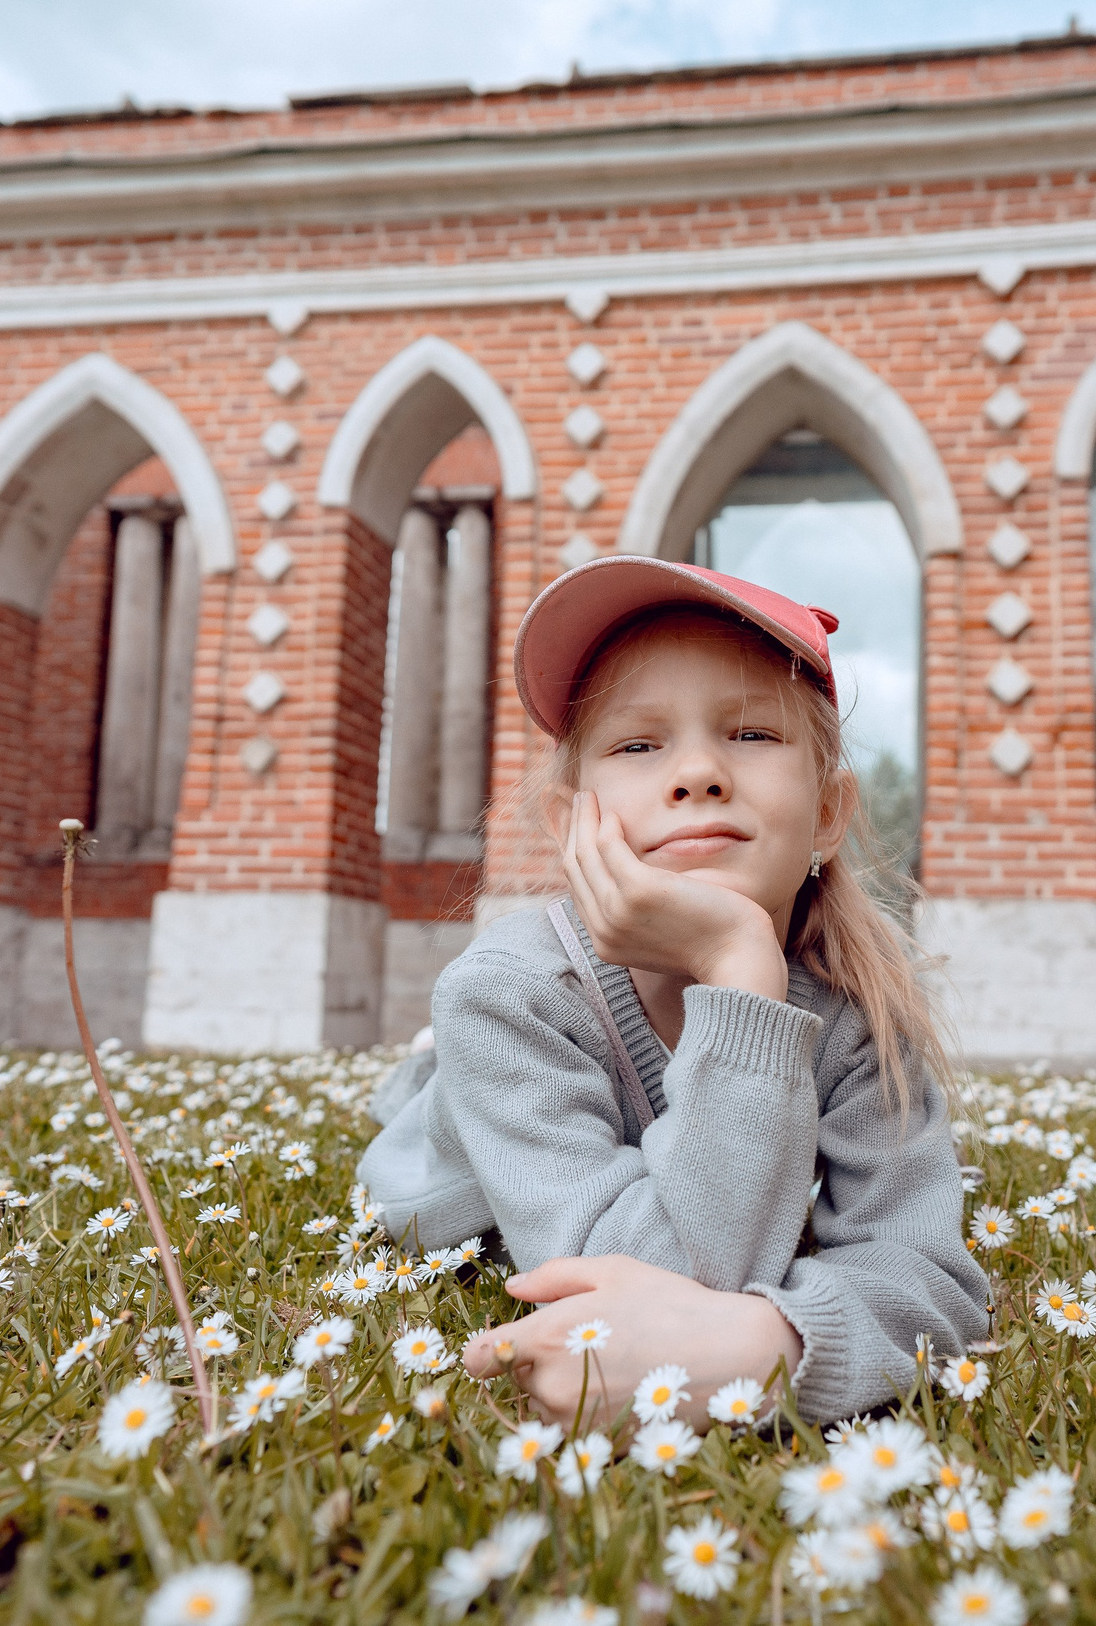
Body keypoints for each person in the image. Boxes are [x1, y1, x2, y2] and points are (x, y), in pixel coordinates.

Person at [356, 554, 988, 1430]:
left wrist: (775, 1347)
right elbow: (667, 1276)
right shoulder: (503, 998)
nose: (697, 773)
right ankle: (431, 1082)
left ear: (830, 814)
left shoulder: (854, 1008)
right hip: (456, 1165)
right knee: (451, 1088)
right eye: (638, 744)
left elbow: (930, 1277)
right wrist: (739, 965)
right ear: (570, 823)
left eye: (752, 734)